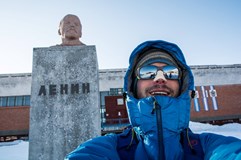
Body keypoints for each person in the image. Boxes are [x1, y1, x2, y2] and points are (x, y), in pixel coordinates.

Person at [65, 40, 241, 160]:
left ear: (183, 86)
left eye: (170, 72)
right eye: (148, 72)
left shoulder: (207, 147)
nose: (160, 78)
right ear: (133, 87)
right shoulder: (109, 149)